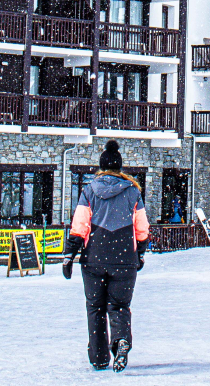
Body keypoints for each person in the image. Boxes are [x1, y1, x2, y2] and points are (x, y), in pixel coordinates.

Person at [63, 140, 150, 372]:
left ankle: (99, 356)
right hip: (124, 259)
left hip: (94, 257)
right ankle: (121, 340)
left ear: (101, 167)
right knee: (120, 305)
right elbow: (142, 228)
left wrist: (69, 255)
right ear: (120, 168)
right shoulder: (133, 192)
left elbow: (79, 226)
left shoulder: (89, 190)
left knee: (95, 306)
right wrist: (140, 252)